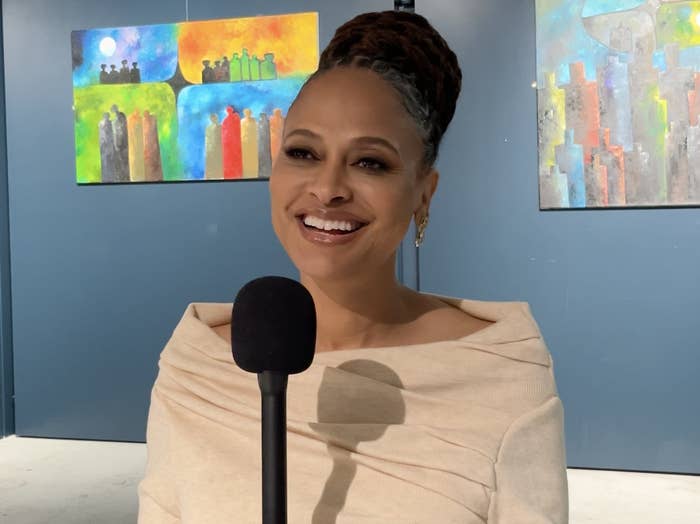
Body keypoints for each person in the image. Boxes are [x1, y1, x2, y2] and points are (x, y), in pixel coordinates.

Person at [138, 11, 568, 523]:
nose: (328, 188)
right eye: (302, 152)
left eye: (370, 162)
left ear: (422, 195)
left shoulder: (498, 373)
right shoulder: (198, 363)